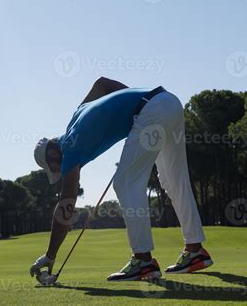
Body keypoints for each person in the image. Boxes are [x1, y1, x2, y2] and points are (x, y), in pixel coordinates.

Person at [30, 77, 213, 281]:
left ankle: (143, 261)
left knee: (125, 182)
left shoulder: (69, 150)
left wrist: (50, 255)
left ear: (53, 155)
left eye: (54, 168)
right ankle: (195, 250)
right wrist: (137, 108)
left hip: (152, 110)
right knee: (173, 181)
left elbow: (66, 205)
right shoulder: (77, 115)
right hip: (168, 101)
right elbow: (102, 84)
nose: (60, 171)